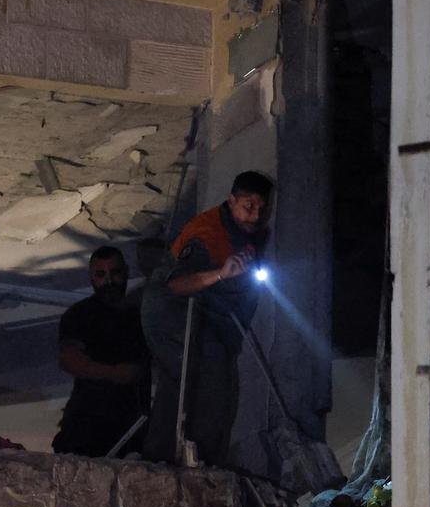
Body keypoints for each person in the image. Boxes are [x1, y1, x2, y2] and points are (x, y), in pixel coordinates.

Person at [140, 171, 273, 467]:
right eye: (248, 207)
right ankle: (164, 459)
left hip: (208, 314)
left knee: (221, 382)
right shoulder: (206, 234)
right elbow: (175, 285)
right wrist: (220, 274)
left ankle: (208, 458)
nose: (254, 216)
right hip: (171, 309)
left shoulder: (251, 233)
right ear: (231, 201)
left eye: (261, 208)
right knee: (191, 376)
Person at [52, 246, 150, 457]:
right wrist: (115, 374)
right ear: (91, 278)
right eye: (101, 274)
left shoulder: (140, 315)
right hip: (88, 425)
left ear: (125, 272)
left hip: (133, 424)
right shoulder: (80, 315)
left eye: (115, 273)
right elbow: (69, 360)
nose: (109, 281)